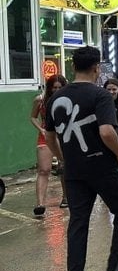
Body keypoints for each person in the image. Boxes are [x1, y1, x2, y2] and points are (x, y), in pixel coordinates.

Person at [44, 46, 118, 271]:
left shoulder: (54, 98)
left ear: (74, 67)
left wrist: (63, 157)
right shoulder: (100, 95)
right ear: (96, 68)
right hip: (103, 167)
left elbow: (49, 135)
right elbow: (107, 132)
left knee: (78, 223)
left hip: (74, 170)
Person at [30, 74, 68, 216]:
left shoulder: (68, 99)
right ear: (49, 88)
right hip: (45, 136)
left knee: (64, 167)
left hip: (64, 136)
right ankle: (40, 203)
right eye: (54, 87)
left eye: (60, 87)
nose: (57, 90)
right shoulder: (40, 100)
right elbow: (33, 117)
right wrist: (41, 129)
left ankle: (66, 197)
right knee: (43, 170)